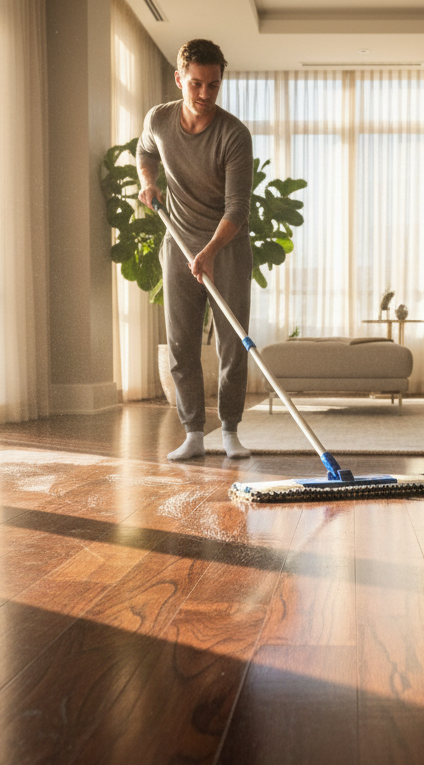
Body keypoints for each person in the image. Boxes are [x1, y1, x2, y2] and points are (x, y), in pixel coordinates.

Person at [137, 39, 254, 461]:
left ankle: (230, 431)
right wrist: (148, 181)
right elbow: (145, 150)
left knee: (232, 343)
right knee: (182, 342)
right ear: (179, 78)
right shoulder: (159, 119)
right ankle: (193, 434)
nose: (205, 95)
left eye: (214, 86)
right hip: (178, 242)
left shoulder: (234, 135)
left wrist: (208, 252)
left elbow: (238, 207)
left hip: (226, 247)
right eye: (196, 84)